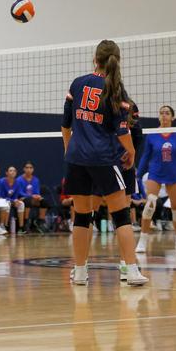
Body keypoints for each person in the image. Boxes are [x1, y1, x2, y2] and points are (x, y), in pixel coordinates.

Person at [62, 39, 148, 287]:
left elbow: (65, 125)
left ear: (95, 59)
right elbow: (123, 131)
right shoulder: (115, 89)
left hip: (77, 159)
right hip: (103, 158)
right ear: (116, 61)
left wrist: (69, 150)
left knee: (82, 216)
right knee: (121, 215)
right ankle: (131, 270)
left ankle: (80, 272)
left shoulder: (77, 84)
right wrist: (131, 152)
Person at [135, 104, 176, 255]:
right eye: (161, 113)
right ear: (159, 117)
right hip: (155, 174)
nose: (164, 115)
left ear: (172, 117)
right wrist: (138, 174)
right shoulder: (152, 134)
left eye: (167, 113)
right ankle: (142, 242)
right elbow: (145, 156)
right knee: (150, 205)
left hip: (172, 175)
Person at [16, 162, 49, 232]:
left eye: (30, 168)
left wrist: (38, 196)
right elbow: (19, 192)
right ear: (24, 169)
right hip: (23, 198)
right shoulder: (19, 179)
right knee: (28, 201)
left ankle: (40, 222)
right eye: (27, 168)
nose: (29, 169)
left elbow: (37, 192)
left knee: (44, 202)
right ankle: (26, 222)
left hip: (33, 199)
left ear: (33, 169)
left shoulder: (36, 180)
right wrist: (31, 196)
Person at [0, 166, 26, 232]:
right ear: (7, 173)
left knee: (21, 204)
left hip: (11, 201)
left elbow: (15, 196)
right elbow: (0, 196)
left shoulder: (17, 182)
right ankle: (4, 225)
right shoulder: (2, 181)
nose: (13, 172)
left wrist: (16, 201)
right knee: (7, 203)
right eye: (11, 170)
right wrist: (13, 201)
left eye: (14, 171)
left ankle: (21, 227)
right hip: (0, 200)